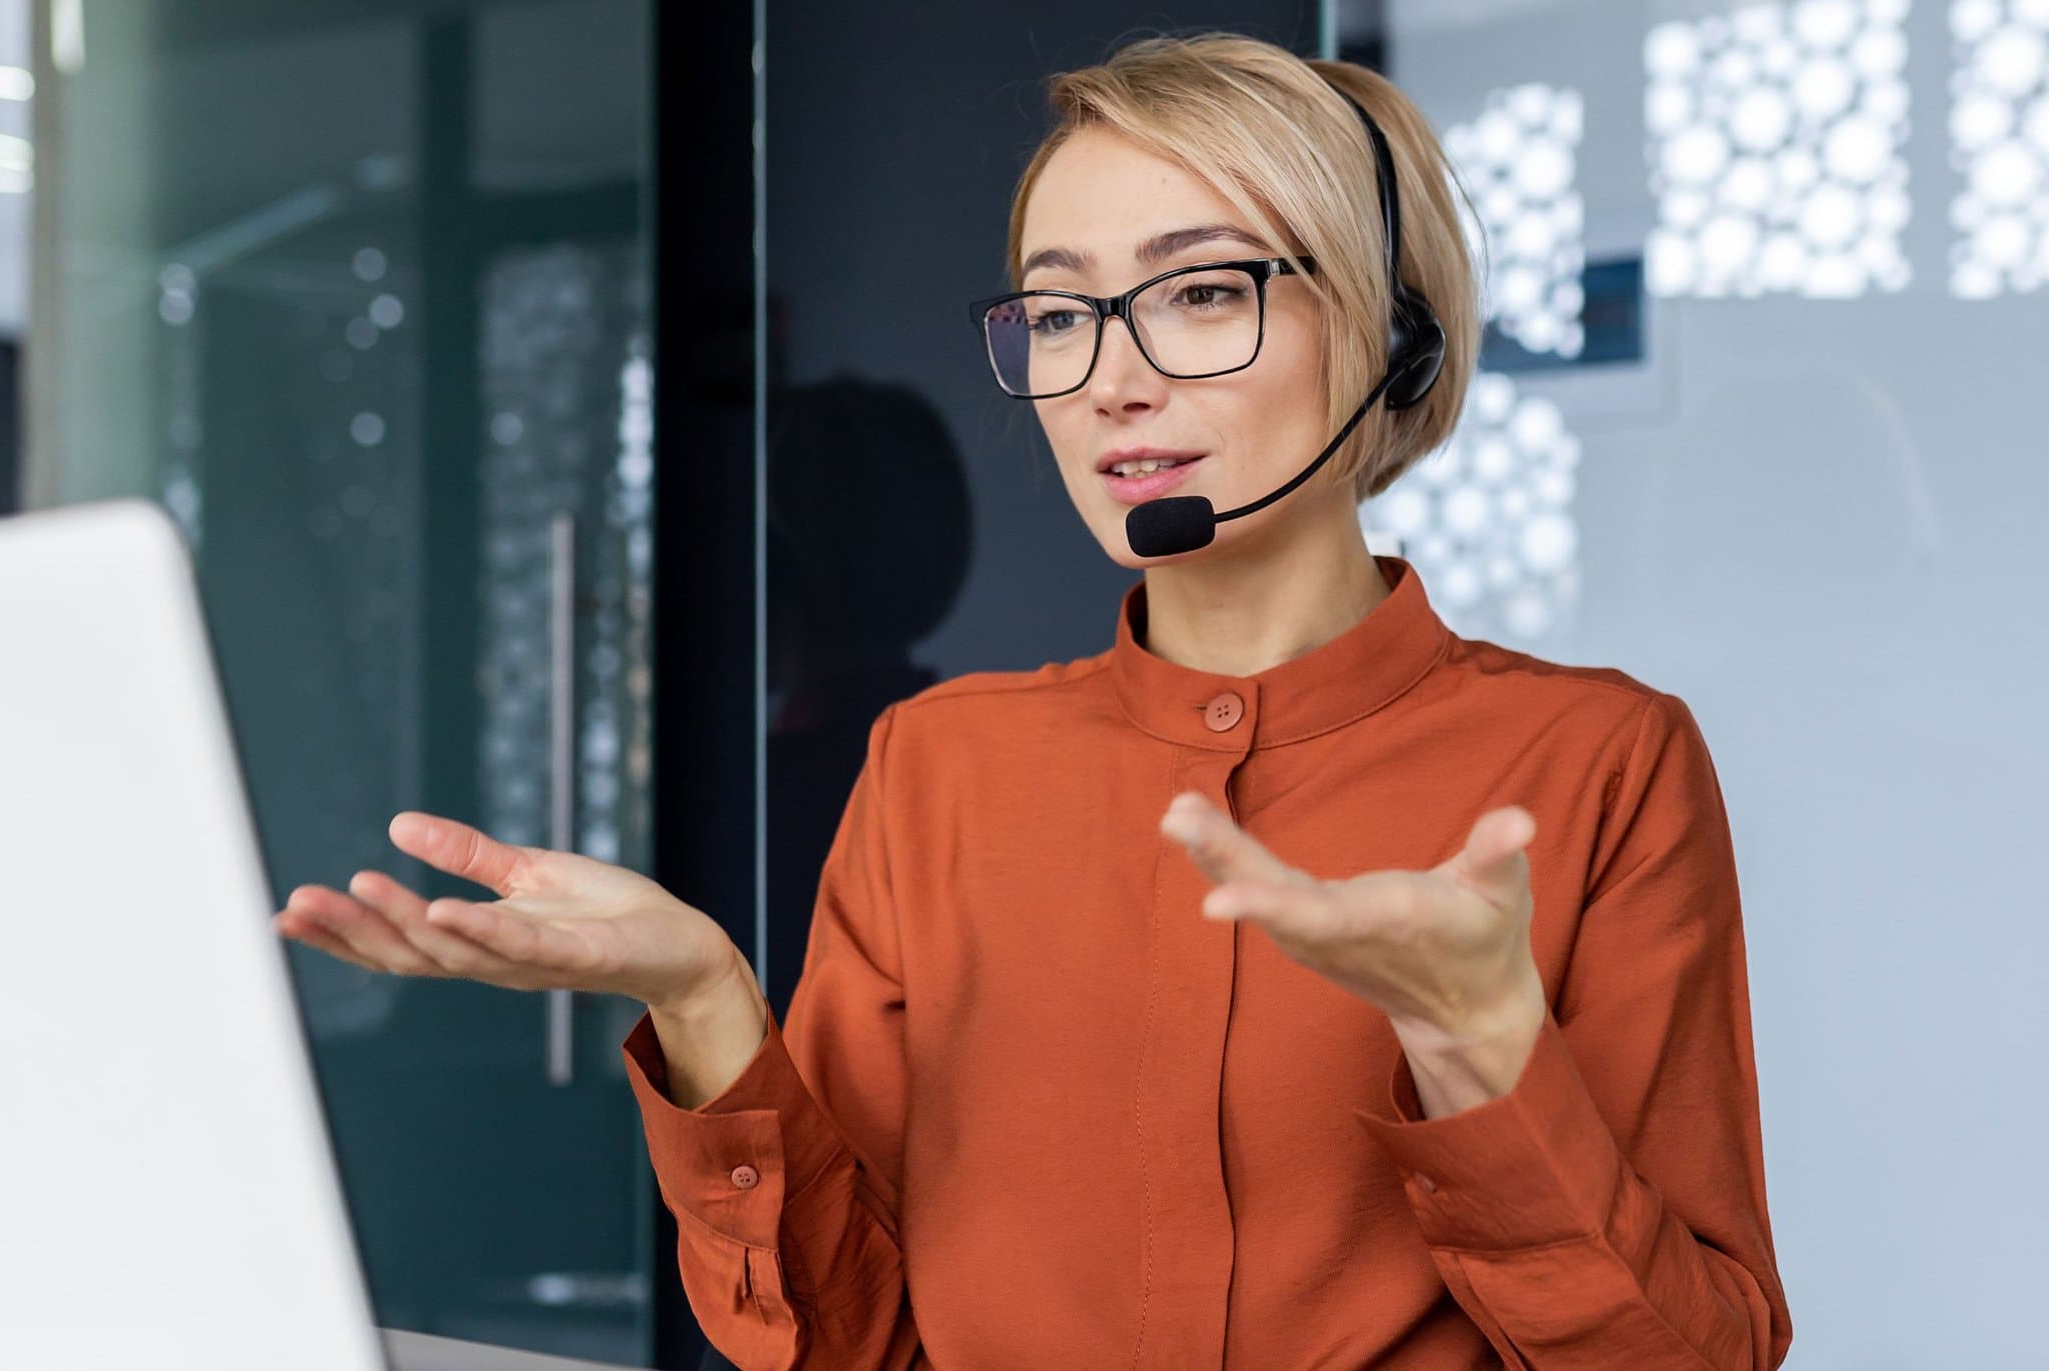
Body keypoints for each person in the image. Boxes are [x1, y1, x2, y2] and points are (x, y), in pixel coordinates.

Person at [278, 31, 1793, 1370]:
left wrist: (1482, 1049)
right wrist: (705, 1004)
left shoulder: (1597, 762)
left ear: (1388, 336)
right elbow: (844, 1342)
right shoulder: (942, 766)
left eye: (1202, 294)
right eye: (1062, 314)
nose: (1113, 382)